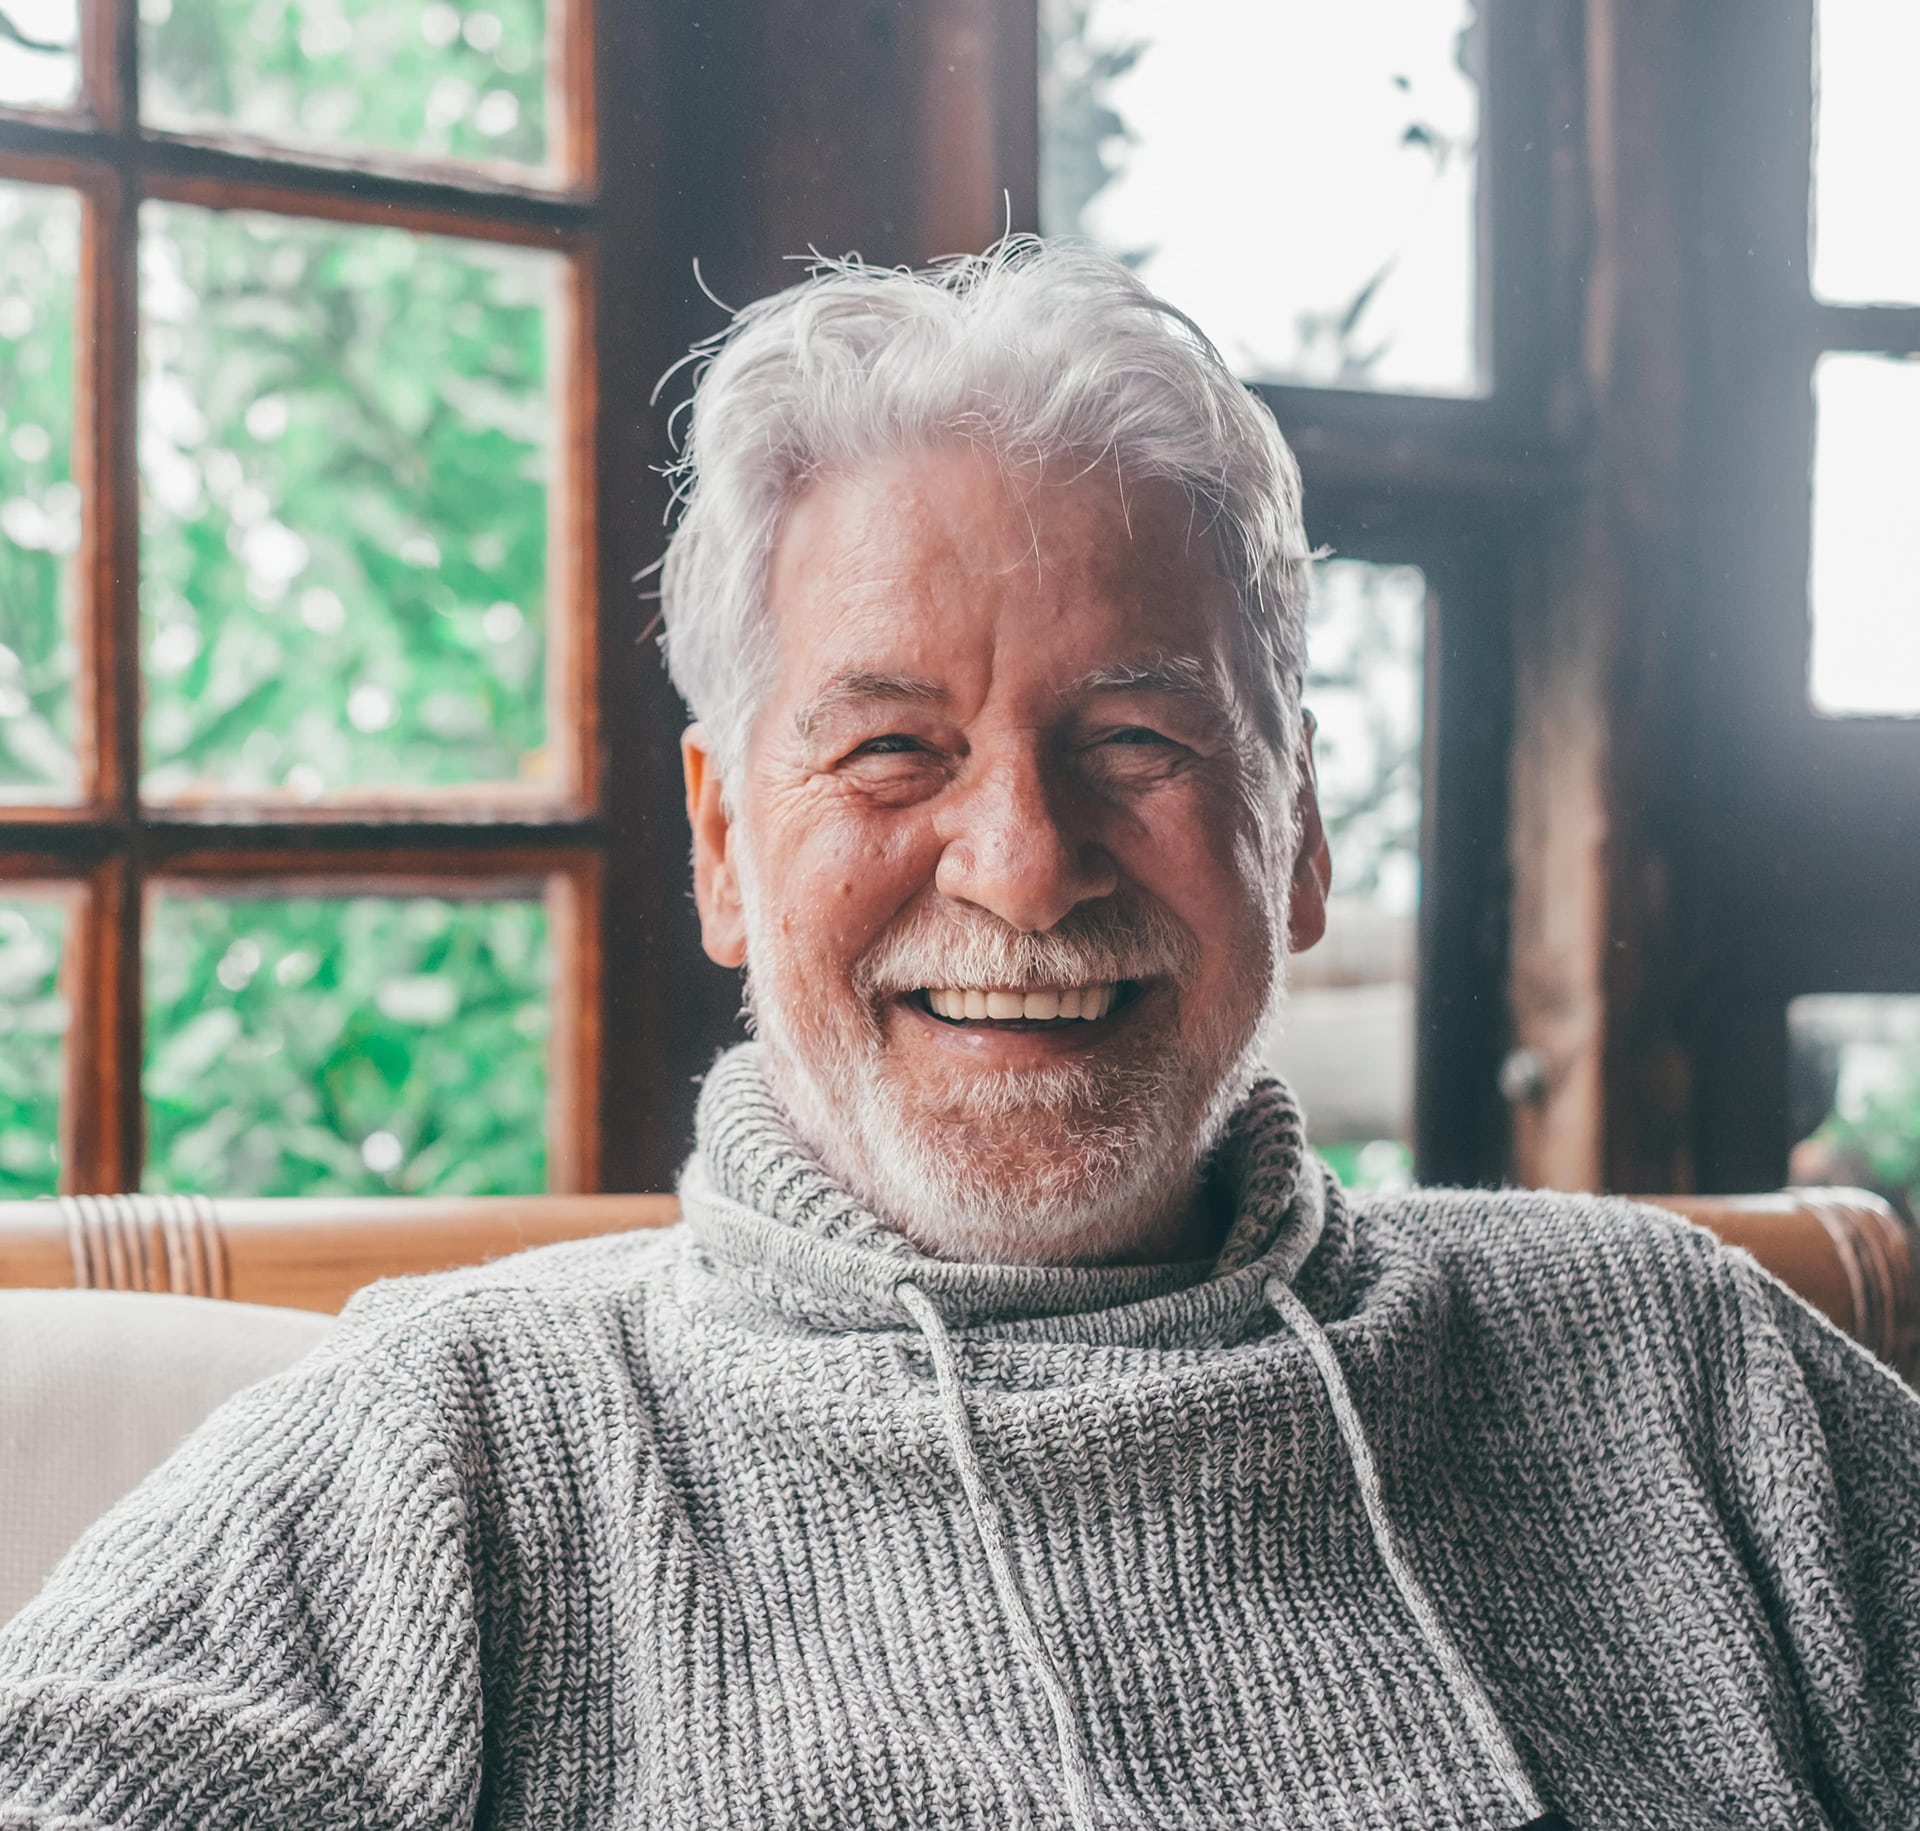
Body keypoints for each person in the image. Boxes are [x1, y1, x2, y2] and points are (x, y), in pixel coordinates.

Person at [2, 239, 1917, 1831]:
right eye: (892, 748)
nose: (1021, 865)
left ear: (1303, 832)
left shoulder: (1694, 1369)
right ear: (729, 842)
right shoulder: (448, 1447)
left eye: (1140, 743)